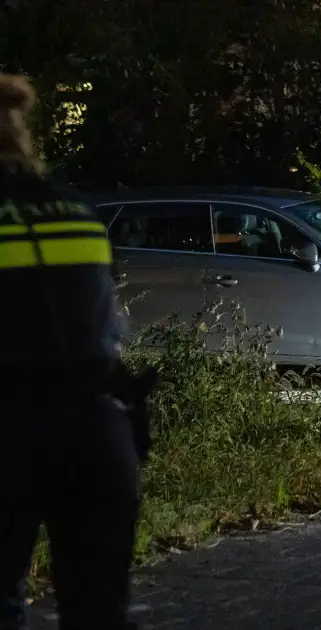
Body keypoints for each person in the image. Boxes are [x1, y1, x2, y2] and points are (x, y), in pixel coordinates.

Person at [0, 73, 145, 629]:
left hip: (8, 436)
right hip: (98, 437)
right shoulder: (77, 215)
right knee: (97, 612)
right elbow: (106, 328)